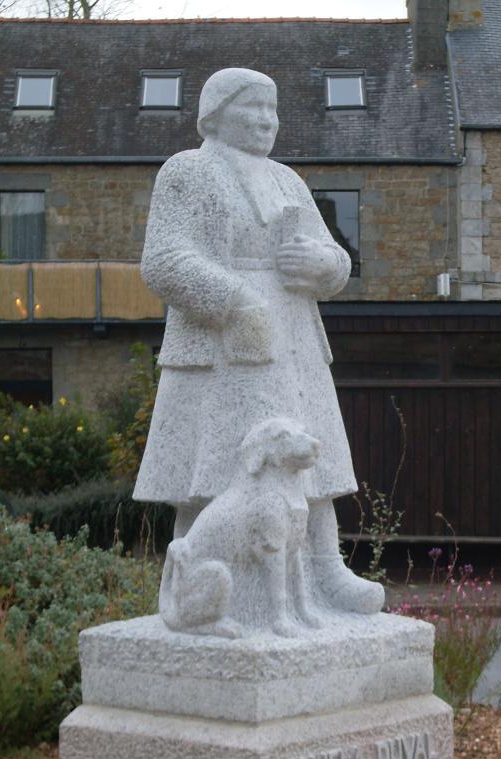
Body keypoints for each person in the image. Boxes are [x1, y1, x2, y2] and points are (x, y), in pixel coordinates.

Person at [134, 67, 383, 615]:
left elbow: (336, 258)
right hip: (225, 337)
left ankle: (326, 567)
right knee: (214, 465)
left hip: (293, 334)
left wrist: (323, 265)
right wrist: (234, 299)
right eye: (254, 107)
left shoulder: (287, 179)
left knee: (307, 453)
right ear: (217, 113)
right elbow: (164, 259)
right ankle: (197, 580)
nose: (268, 120)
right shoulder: (188, 170)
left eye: (273, 110)